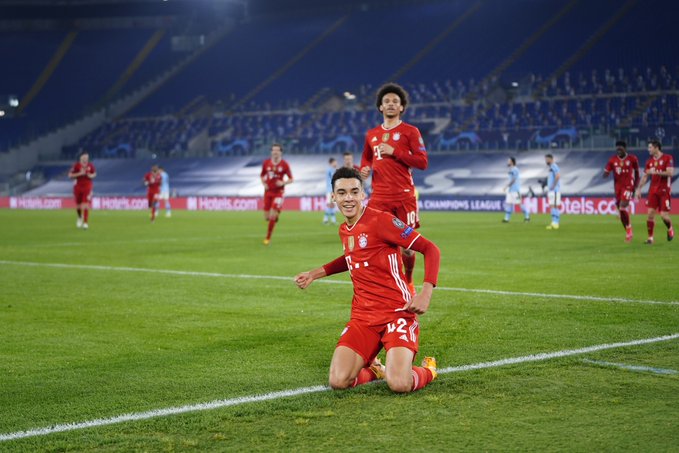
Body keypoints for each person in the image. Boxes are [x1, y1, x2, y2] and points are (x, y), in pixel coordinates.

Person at [295, 167, 440, 393]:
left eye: (354, 192)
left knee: (399, 383)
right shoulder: (345, 229)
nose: (348, 198)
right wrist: (315, 273)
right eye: (342, 193)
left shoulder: (382, 221)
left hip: (397, 312)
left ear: (363, 194)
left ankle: (428, 370)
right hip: (363, 317)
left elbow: (430, 249)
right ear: (333, 197)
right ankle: (375, 370)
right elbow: (352, 257)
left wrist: (425, 293)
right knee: (338, 381)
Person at [360, 82, 428, 294]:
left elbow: (422, 162)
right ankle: (388, 285)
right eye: (386, 101)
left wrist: (395, 151)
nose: (390, 104)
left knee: (407, 247)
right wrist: (364, 169)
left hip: (403, 197)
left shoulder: (410, 132)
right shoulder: (371, 134)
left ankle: (409, 280)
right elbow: (366, 158)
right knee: (378, 244)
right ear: (380, 107)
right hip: (379, 198)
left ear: (401, 107)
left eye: (395, 101)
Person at [634, 140, 674, 244]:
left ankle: (670, 228)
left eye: (650, 147)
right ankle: (650, 238)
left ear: (656, 148)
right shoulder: (649, 161)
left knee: (664, 216)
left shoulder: (667, 158)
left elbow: (670, 172)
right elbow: (645, 176)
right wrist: (638, 189)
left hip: (664, 190)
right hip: (652, 190)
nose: (649, 149)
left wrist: (655, 171)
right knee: (650, 214)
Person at [603, 141, 640, 242]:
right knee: (621, 210)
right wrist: (605, 173)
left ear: (625, 148)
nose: (618, 150)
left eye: (620, 148)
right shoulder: (612, 160)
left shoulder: (632, 159)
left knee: (622, 207)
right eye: (617, 148)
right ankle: (628, 231)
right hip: (618, 189)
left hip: (628, 186)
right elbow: (606, 172)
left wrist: (636, 187)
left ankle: (629, 229)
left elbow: (637, 174)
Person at [261, 143, 293, 245]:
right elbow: (262, 175)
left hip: (279, 192)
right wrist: (264, 183)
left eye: (277, 150)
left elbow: (291, 179)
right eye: (273, 150)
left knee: (272, 214)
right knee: (266, 217)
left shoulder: (284, 164)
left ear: (281, 152)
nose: (275, 152)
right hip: (268, 192)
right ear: (271, 152)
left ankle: (268, 238)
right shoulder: (266, 163)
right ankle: (277, 212)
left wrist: (283, 183)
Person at [68, 151, 96, 230]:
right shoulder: (76, 166)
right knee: (78, 205)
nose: (86, 159)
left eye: (87, 157)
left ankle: (85, 223)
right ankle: (80, 217)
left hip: (87, 186)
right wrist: (79, 174)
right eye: (84, 157)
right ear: (81, 158)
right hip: (78, 187)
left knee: (85, 204)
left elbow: (94, 174)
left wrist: (90, 175)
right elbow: (70, 175)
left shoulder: (90, 165)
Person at [502, 156, 530, 223]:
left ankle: (527, 217)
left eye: (509, 161)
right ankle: (506, 219)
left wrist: (506, 186)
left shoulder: (515, 169)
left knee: (519, 204)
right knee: (508, 204)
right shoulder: (511, 169)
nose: (508, 162)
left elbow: (513, 180)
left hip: (515, 190)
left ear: (512, 162)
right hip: (510, 190)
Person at [544, 154, 561, 230]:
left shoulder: (554, 166)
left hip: (554, 190)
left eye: (547, 159)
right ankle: (555, 222)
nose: (546, 161)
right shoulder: (551, 167)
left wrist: (553, 185)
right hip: (552, 190)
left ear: (550, 159)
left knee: (553, 206)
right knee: (553, 206)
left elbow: (558, 175)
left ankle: (555, 222)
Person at [323, 158, 338, 225]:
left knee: (332, 205)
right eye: (335, 162)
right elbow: (334, 178)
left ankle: (333, 220)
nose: (336, 163)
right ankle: (325, 220)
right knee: (330, 205)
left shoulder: (332, 170)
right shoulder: (330, 170)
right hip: (330, 190)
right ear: (331, 163)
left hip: (332, 190)